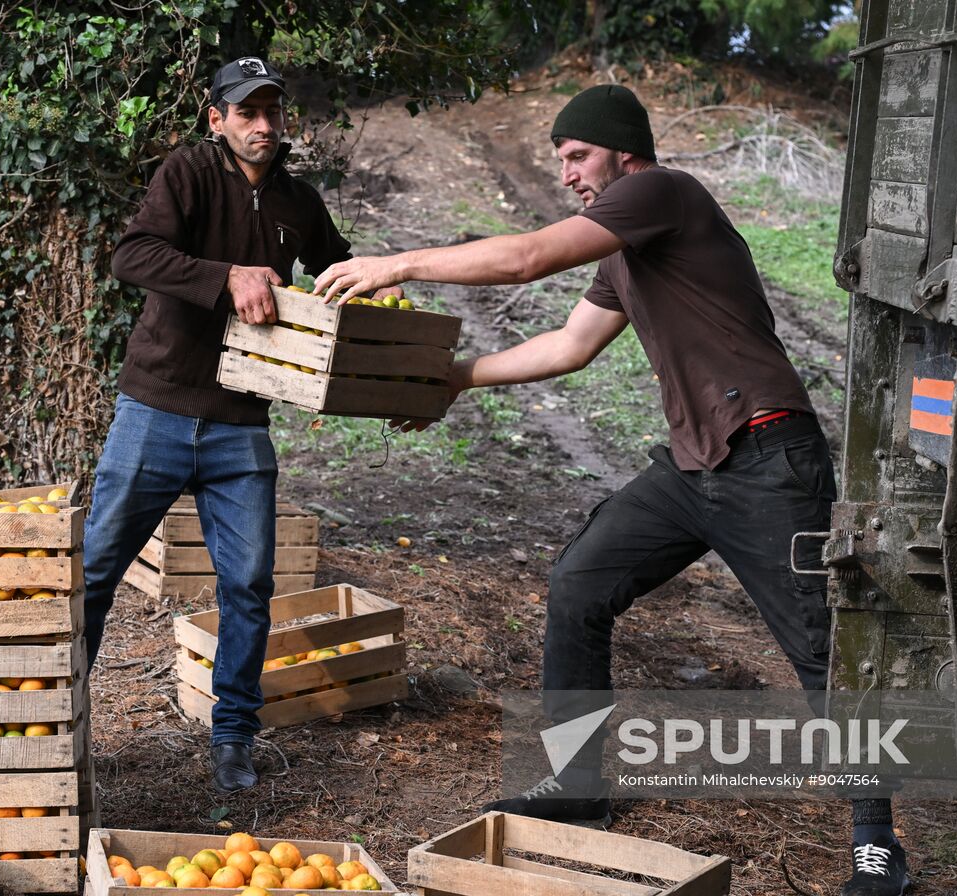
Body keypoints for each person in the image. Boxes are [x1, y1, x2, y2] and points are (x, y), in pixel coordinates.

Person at [313, 84, 910, 896]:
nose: (566, 174)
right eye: (560, 160)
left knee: (817, 650)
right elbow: (569, 344)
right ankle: (578, 782)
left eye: (577, 156)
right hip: (695, 465)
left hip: (769, 456)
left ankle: (878, 849)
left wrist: (400, 262)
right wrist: (455, 379)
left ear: (625, 154)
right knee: (580, 583)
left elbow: (526, 257)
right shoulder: (625, 250)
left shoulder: (662, 193)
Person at [87, 56, 360, 795]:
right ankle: (61, 717)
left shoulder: (299, 202)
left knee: (248, 583)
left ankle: (233, 737)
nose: (264, 125)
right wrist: (226, 275)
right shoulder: (186, 173)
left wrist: (380, 318)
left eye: (273, 112)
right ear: (218, 118)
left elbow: (341, 269)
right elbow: (133, 253)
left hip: (241, 424)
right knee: (95, 573)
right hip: (157, 409)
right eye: (247, 112)